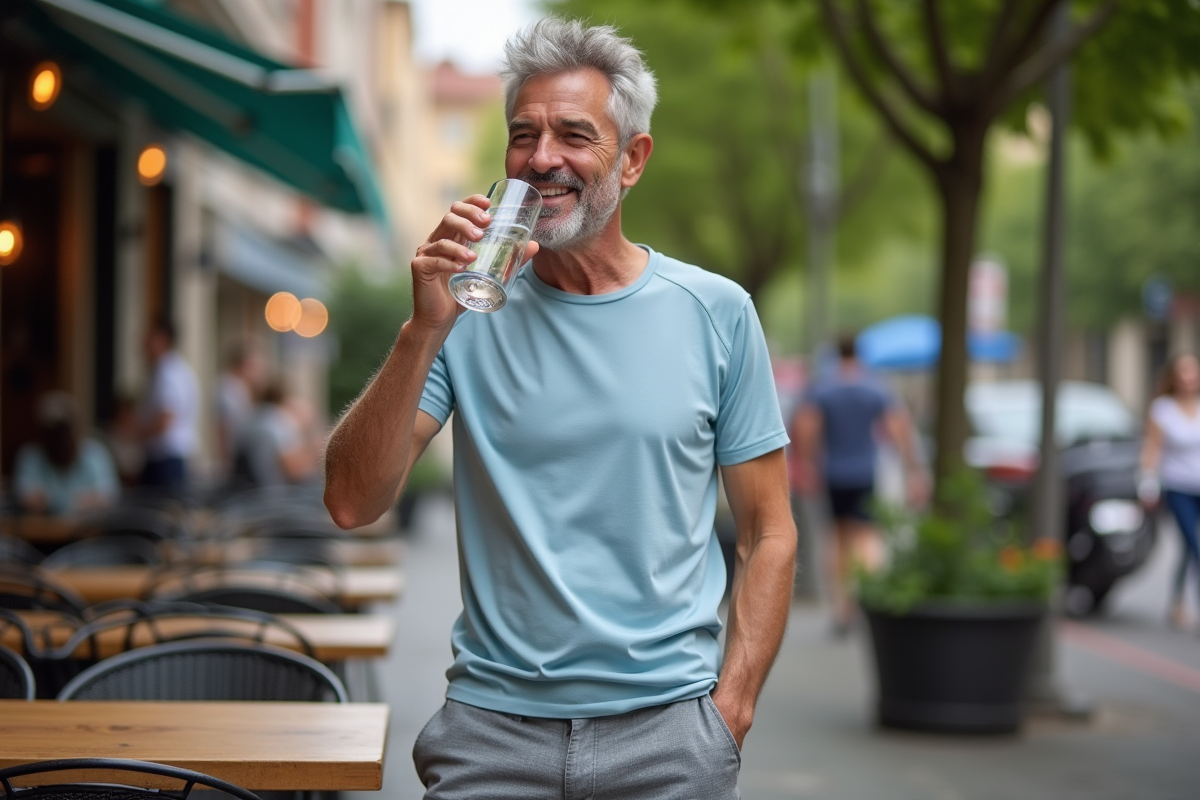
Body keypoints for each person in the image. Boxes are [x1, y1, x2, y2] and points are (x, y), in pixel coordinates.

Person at [323, 19, 795, 798]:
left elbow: (770, 530)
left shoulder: (717, 311)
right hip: (490, 735)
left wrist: (730, 710)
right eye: (524, 135)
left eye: (576, 135)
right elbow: (350, 501)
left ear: (633, 159)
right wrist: (422, 331)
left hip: (668, 738)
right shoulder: (464, 313)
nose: (543, 158)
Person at [793, 334, 926, 634]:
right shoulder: (874, 386)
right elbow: (899, 427)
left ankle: (841, 606)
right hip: (865, 473)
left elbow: (806, 425)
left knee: (837, 538)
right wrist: (912, 469)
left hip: (833, 473)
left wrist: (806, 464)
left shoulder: (823, 386)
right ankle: (862, 598)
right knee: (866, 536)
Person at [1139, 353, 1200, 632]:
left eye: (1193, 372)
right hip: (1178, 486)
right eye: (1183, 372)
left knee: (1189, 549)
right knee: (1194, 543)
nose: (1189, 378)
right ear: (1174, 376)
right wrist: (1147, 480)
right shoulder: (1163, 408)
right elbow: (1153, 447)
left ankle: (1176, 601)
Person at [13, 391, 119, 516]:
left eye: (65, 431)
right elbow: (24, 494)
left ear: (76, 428)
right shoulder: (31, 455)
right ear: (43, 432)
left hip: (90, 529)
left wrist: (83, 502)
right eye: (55, 432)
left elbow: (108, 495)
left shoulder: (94, 453)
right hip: (41, 532)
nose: (61, 440)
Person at [137, 318, 199, 489]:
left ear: (162, 338)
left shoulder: (166, 372)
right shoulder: (175, 369)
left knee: (159, 511)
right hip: (171, 458)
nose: (142, 339)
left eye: (149, 335)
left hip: (165, 460)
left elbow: (165, 419)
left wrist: (135, 433)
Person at [232, 382, 321, 489]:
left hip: (246, 491)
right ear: (286, 400)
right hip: (274, 495)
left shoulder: (251, 419)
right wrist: (316, 451)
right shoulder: (279, 422)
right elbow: (296, 471)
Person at [216, 342, 264, 479]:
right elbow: (222, 426)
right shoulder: (227, 387)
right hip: (235, 453)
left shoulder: (241, 387)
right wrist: (225, 461)